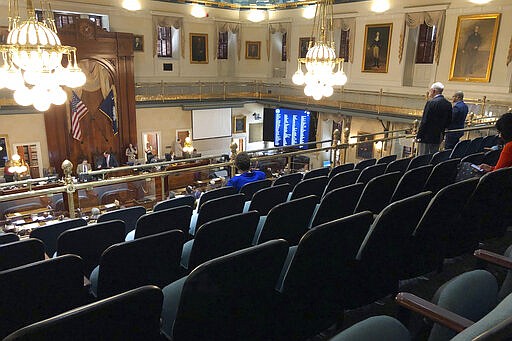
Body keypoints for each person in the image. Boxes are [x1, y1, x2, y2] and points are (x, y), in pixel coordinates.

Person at [416, 82, 452, 155]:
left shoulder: (431, 103)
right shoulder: (448, 103)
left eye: (430, 90)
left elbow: (425, 121)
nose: (429, 92)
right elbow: (449, 121)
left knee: (423, 157)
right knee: (433, 155)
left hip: (426, 136)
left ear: (434, 91)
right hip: (438, 136)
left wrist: (419, 135)